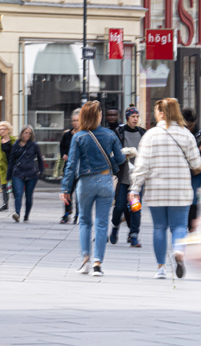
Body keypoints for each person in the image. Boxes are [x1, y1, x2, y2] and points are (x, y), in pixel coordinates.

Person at [131, 99, 201, 279]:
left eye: (156, 111)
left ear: (162, 113)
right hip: (180, 190)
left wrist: (135, 188)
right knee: (179, 226)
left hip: (156, 190)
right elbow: (196, 163)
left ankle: (161, 268)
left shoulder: (151, 135)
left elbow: (142, 166)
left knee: (159, 227)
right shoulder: (186, 134)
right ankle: (179, 251)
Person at [60, 100, 124, 277]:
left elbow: (71, 165)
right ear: (98, 116)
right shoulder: (110, 134)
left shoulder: (78, 136)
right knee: (102, 223)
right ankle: (98, 263)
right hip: (105, 180)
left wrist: (65, 188)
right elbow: (120, 159)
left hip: (85, 182)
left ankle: (85, 260)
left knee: (85, 222)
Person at [111, 106, 146, 247]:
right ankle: (114, 228)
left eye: (137, 116)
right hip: (124, 177)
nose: (135, 119)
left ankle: (134, 235)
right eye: (133, 117)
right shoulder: (119, 132)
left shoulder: (142, 133)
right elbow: (113, 152)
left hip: (137, 179)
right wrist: (122, 155)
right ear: (127, 118)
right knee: (119, 206)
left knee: (135, 207)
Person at [7, 125, 45, 223]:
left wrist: (41, 170)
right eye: (25, 133)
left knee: (28, 196)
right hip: (18, 173)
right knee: (18, 193)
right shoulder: (16, 145)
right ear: (22, 133)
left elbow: (40, 158)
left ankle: (26, 215)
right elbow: (11, 160)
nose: (27, 135)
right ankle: (17, 213)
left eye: (29, 133)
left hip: (31, 173)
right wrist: (8, 175)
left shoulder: (34, 144)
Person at [182, 108, 201, 232]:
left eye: (191, 126)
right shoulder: (179, 133)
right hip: (184, 169)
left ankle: (191, 228)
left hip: (198, 171)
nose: (189, 128)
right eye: (186, 125)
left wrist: (199, 152)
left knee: (193, 199)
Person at [59, 109, 81, 224]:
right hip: (69, 167)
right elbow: (62, 147)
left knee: (79, 193)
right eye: (73, 120)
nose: (75, 123)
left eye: (77, 120)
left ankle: (78, 214)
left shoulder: (84, 134)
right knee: (67, 190)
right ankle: (67, 212)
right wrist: (64, 155)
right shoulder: (67, 135)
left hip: (80, 168)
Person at [0, 121, 15, 212]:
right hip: (3, 167)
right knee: (4, 185)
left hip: (13, 165)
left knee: (14, 185)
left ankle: (17, 202)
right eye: (0, 129)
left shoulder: (14, 140)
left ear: (8, 130)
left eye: (4, 129)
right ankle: (5, 204)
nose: (2, 131)